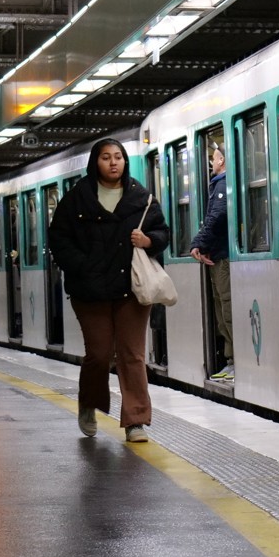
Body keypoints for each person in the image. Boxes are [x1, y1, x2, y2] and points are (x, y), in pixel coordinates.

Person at [48, 138, 170, 443]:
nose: (113, 162)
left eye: (118, 157)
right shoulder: (77, 199)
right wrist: (83, 266)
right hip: (89, 290)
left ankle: (136, 421)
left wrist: (149, 241)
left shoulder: (142, 197)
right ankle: (89, 404)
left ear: (125, 161)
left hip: (131, 288)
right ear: (95, 162)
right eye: (106, 157)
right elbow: (59, 240)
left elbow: (163, 233)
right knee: (99, 354)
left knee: (132, 355)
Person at [190, 143, 234, 380]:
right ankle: (230, 360)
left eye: (215, 157)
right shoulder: (219, 184)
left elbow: (217, 216)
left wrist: (199, 242)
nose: (212, 162)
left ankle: (235, 361)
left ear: (222, 161)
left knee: (226, 308)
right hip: (217, 254)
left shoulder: (222, 184)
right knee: (221, 308)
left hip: (223, 257)